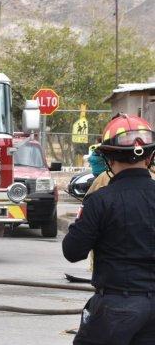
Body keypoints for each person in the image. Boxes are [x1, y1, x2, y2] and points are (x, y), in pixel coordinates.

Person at [62, 114, 155, 345]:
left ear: (107, 157)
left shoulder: (99, 201)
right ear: (151, 157)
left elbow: (73, 251)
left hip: (115, 309)